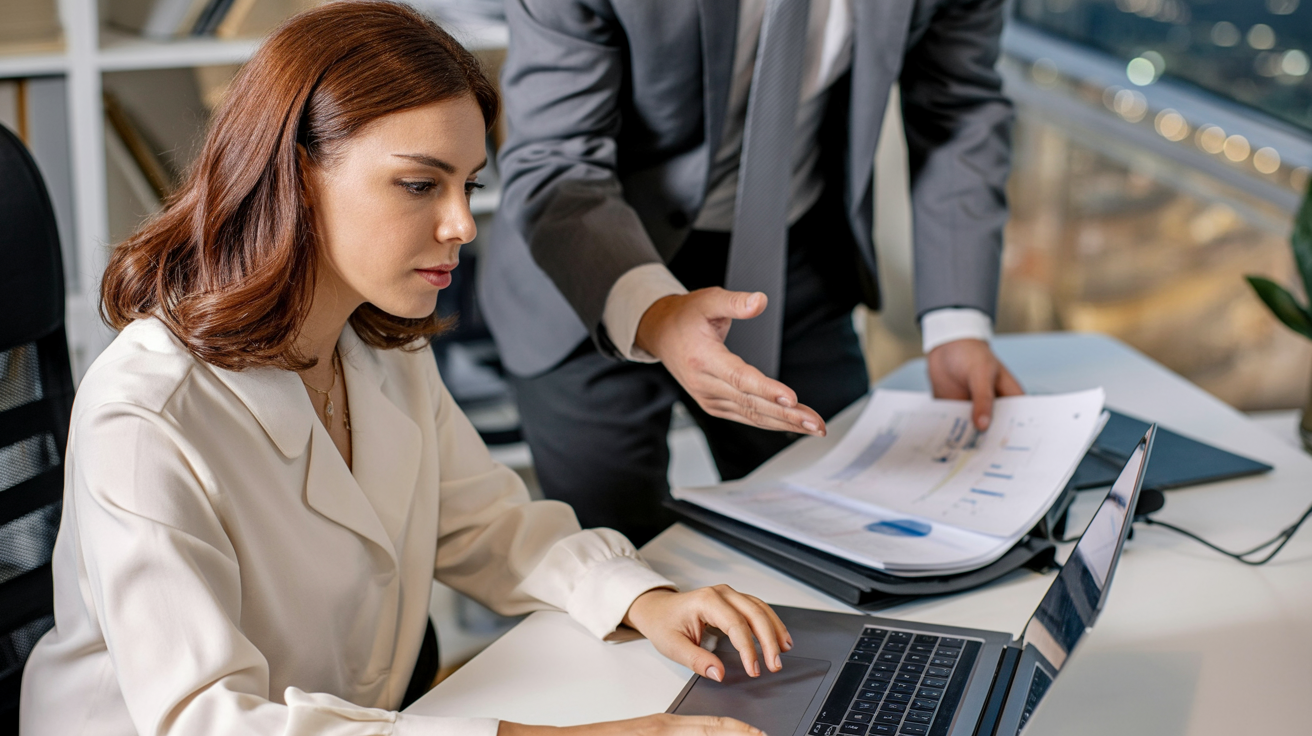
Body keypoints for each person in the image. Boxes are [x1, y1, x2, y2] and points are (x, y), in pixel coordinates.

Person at [19, 4, 789, 735]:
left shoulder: (380, 344)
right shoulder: (148, 408)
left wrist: (642, 596)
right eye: (420, 184)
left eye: (468, 186)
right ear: (296, 176)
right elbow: (206, 719)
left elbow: (486, 523)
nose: (460, 224)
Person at [482, 0, 1025, 547]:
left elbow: (960, 110)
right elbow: (555, 158)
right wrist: (656, 312)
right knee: (628, 564)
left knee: (848, 532)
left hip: (786, 267)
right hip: (590, 274)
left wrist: (958, 325)